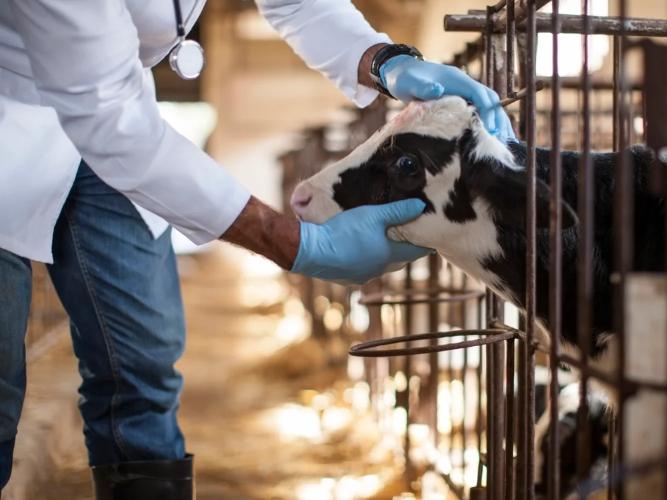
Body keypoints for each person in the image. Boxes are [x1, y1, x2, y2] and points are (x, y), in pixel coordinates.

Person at [0, 0, 514, 498]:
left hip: (111, 117)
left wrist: (383, 60)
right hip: (16, 116)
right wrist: (296, 244)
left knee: (144, 362)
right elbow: (107, 114)